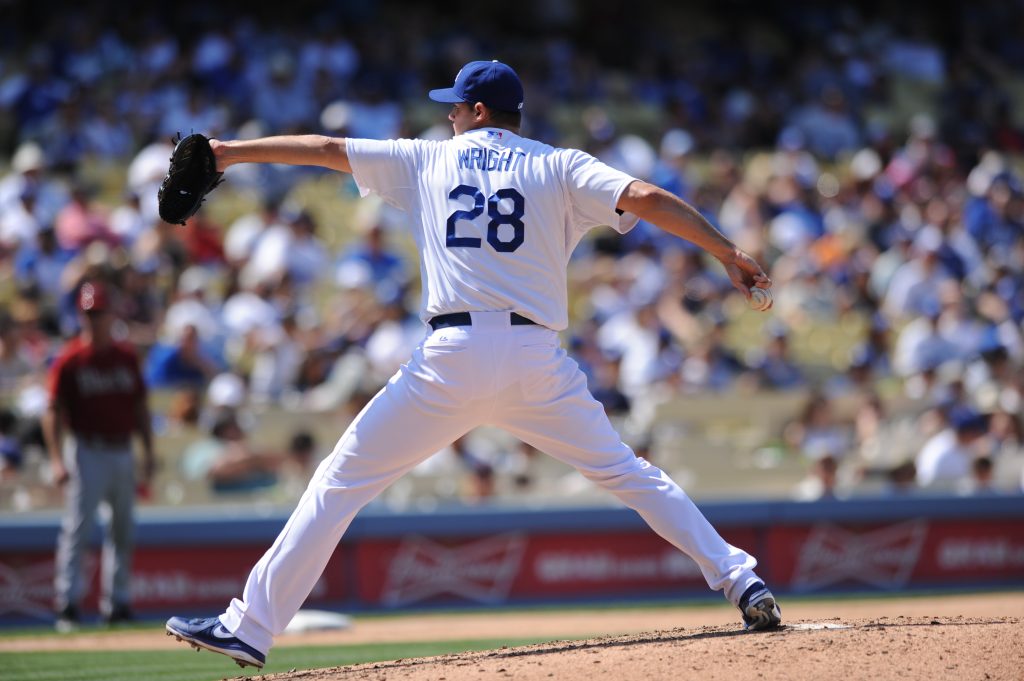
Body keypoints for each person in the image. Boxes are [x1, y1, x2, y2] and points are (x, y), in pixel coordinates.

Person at [166, 60, 781, 670]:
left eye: (455, 106)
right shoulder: (559, 162)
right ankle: (740, 580)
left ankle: (249, 627)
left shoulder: (428, 158)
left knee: (338, 485)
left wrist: (228, 151)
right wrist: (726, 252)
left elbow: (325, 148)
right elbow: (644, 197)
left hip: (451, 359)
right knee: (629, 473)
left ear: (479, 111)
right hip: (534, 359)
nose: (448, 115)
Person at [43, 281, 155, 630]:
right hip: (87, 449)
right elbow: (51, 411)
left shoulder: (125, 357)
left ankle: (117, 604)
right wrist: (57, 459)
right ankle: (68, 605)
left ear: (111, 315)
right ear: (81, 315)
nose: (94, 319)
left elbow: (140, 408)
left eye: (100, 313)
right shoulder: (70, 360)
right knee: (78, 529)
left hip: (121, 449)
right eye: (89, 313)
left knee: (122, 531)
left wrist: (148, 451)